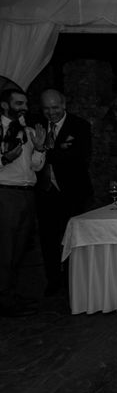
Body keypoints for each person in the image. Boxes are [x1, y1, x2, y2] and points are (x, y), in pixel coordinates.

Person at [36, 88, 93, 296]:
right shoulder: (37, 125)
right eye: (46, 109)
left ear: (64, 104)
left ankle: (73, 280)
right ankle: (53, 281)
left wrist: (45, 151)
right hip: (45, 192)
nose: (51, 113)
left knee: (73, 238)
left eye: (55, 108)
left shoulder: (79, 126)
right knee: (48, 239)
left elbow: (80, 159)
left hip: (73, 191)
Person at [0, 86, 47, 317]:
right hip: (5, 194)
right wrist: (3, 159)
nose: (24, 108)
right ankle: (5, 300)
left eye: (26, 104)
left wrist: (39, 149)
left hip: (27, 194)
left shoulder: (28, 131)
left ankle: (11, 296)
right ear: (5, 105)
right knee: (4, 250)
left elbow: (36, 166)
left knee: (19, 249)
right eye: (19, 103)